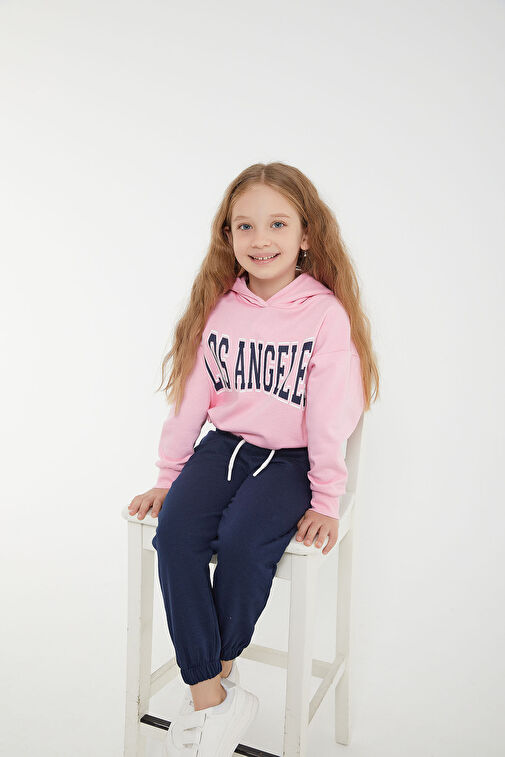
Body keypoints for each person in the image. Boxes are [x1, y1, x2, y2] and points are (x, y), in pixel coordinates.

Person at [128, 161, 379, 755]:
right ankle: (212, 696)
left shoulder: (325, 314)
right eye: (245, 226)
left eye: (277, 224)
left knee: (243, 541)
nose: (260, 239)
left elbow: (330, 418)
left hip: (292, 462)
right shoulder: (217, 306)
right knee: (175, 534)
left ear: (306, 235)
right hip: (224, 449)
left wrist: (326, 499)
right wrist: (168, 476)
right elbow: (191, 398)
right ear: (228, 235)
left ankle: (214, 671)